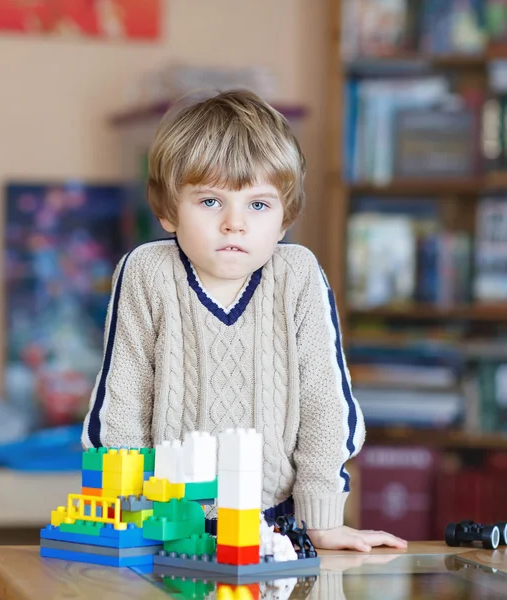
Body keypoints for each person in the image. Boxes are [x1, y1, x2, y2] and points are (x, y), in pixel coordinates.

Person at [82, 89, 407, 552]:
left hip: (278, 530)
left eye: (258, 205)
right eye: (211, 201)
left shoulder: (297, 274)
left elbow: (325, 407)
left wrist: (323, 520)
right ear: (168, 210)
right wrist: (126, 516)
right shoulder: (146, 271)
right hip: (164, 526)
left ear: (284, 216)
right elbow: (121, 406)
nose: (235, 223)